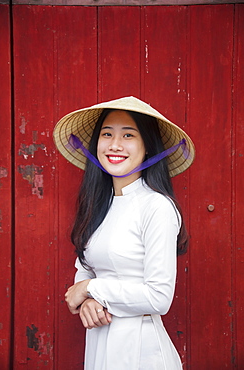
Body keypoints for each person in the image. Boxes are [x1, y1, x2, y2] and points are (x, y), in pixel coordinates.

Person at [53, 96, 195, 370]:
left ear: (148, 148)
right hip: (99, 342)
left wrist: (91, 289)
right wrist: (88, 299)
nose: (115, 145)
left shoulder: (156, 207)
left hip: (140, 350)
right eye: (107, 134)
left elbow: (159, 297)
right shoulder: (99, 205)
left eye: (128, 135)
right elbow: (86, 266)